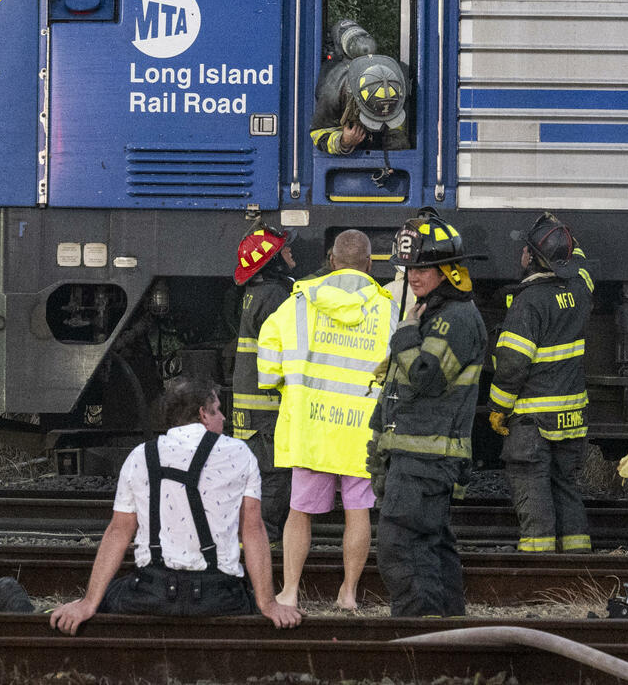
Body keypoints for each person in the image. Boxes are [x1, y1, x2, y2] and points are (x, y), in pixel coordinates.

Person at [48, 378, 300, 634]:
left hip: (150, 592)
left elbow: (119, 531)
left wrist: (89, 602)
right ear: (203, 413)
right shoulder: (240, 453)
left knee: (108, 596)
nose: (223, 417)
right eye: (218, 409)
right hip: (219, 596)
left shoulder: (140, 456)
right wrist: (268, 604)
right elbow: (253, 530)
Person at [256, 229, 394, 609]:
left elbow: (267, 369)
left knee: (298, 512)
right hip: (361, 431)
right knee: (358, 511)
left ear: (331, 261)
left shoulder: (296, 303)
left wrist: (284, 381)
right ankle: (348, 593)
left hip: (310, 427)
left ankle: (288, 592)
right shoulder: (387, 308)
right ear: (369, 264)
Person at [369, 208, 488, 616]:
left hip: (426, 459)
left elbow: (426, 377)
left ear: (450, 271)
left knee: (400, 547)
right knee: (430, 547)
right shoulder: (434, 313)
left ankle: (418, 640)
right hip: (417, 457)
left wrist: (403, 334)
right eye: (409, 268)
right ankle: (447, 637)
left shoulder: (454, 318)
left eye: (424, 268)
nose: (414, 276)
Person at [488, 212, 594, 552]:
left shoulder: (527, 303)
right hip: (571, 417)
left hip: (533, 420)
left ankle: (539, 559)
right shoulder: (581, 288)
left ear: (532, 257)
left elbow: (512, 365)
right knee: (565, 484)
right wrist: (563, 236)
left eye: (525, 249)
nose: (520, 254)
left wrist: (498, 409)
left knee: (532, 485)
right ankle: (577, 559)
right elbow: (578, 261)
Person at [231, 222, 297, 542]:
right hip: (267, 408)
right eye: (284, 249)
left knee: (257, 475)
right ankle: (263, 541)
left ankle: (253, 536)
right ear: (272, 261)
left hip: (252, 408)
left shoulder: (256, 293)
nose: (290, 252)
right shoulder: (275, 295)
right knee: (273, 476)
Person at [310, 19, 410, 155]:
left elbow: (400, 134)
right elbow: (318, 133)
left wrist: (396, 141)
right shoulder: (334, 87)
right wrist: (343, 141)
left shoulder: (395, 78)